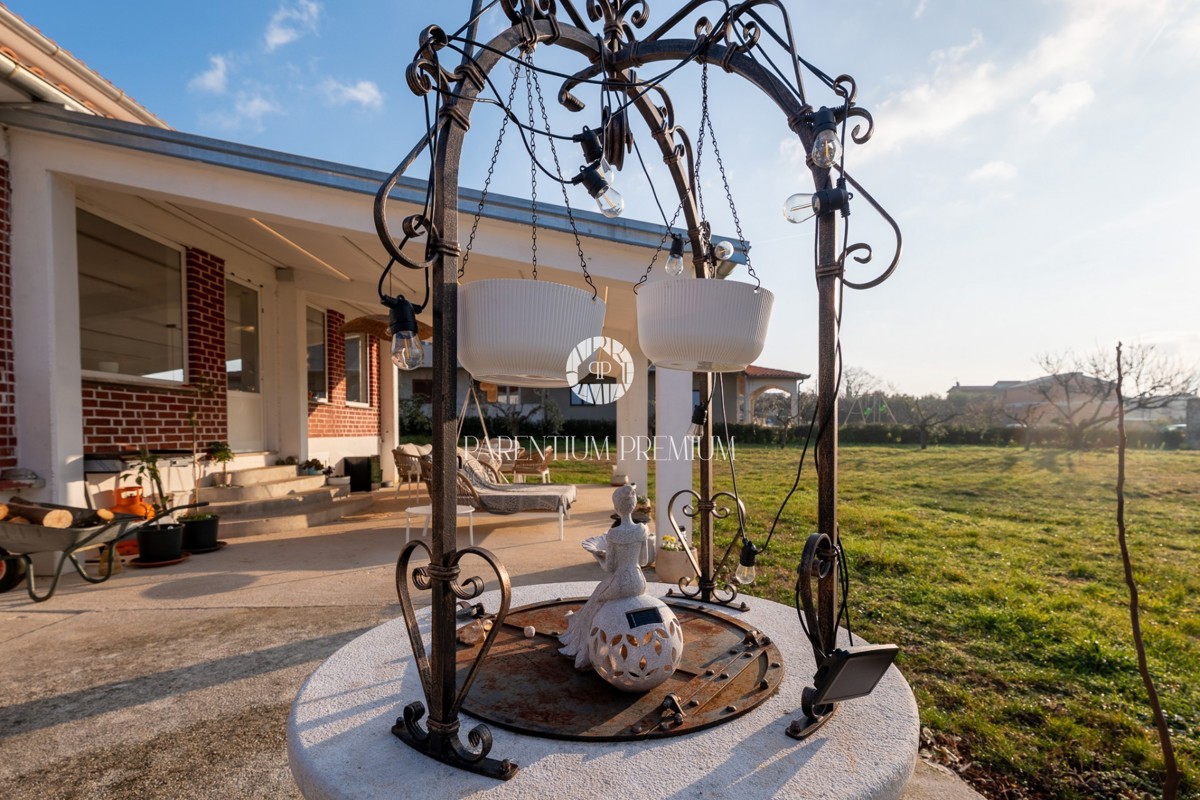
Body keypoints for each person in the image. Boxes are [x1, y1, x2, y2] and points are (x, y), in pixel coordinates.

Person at [558, 483, 651, 669]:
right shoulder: (642, 530)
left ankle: (582, 650)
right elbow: (644, 561)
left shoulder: (613, 534)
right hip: (639, 581)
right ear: (634, 505)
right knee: (601, 591)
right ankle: (578, 623)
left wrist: (598, 557)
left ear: (616, 507)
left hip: (622, 582)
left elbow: (610, 568)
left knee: (597, 597)